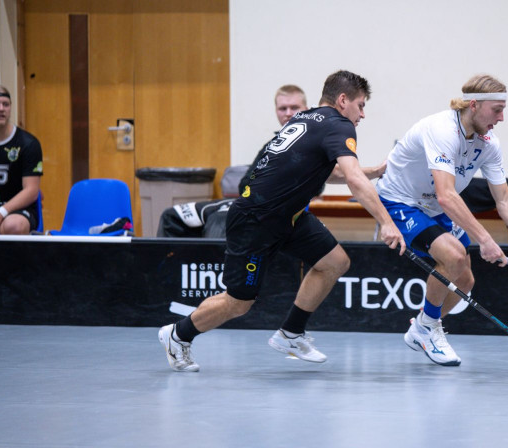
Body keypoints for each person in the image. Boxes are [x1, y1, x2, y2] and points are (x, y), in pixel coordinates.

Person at [158, 70, 405, 372]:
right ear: (343, 100)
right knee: (239, 302)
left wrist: (375, 172)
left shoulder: (308, 120)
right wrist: (387, 222)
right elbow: (351, 178)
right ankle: (177, 335)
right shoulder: (339, 125)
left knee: (335, 262)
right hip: (256, 220)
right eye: (361, 105)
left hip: (289, 216)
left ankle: (290, 333)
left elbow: (330, 172)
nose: (362, 114)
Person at [376, 74, 508, 367]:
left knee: (465, 281)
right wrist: (485, 240)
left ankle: (422, 327)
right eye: (497, 109)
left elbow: (504, 199)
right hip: (400, 200)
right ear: (474, 105)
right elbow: (446, 195)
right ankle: (429, 330)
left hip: (434, 206)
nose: (502, 117)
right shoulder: (442, 129)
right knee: (454, 256)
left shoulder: (489, 143)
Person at [157, 84, 386, 237]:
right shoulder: (275, 144)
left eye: (294, 108)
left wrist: (375, 171)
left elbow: (338, 174)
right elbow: (246, 185)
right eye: (282, 108)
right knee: (174, 216)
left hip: (280, 216)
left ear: (305, 110)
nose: (288, 113)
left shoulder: (322, 135)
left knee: (221, 219)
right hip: (254, 208)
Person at [0, 85, 43, 235]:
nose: (1, 109)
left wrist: (0, 213)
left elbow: (31, 190)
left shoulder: (28, 143)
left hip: (15, 210)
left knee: (14, 226)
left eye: (6, 104)